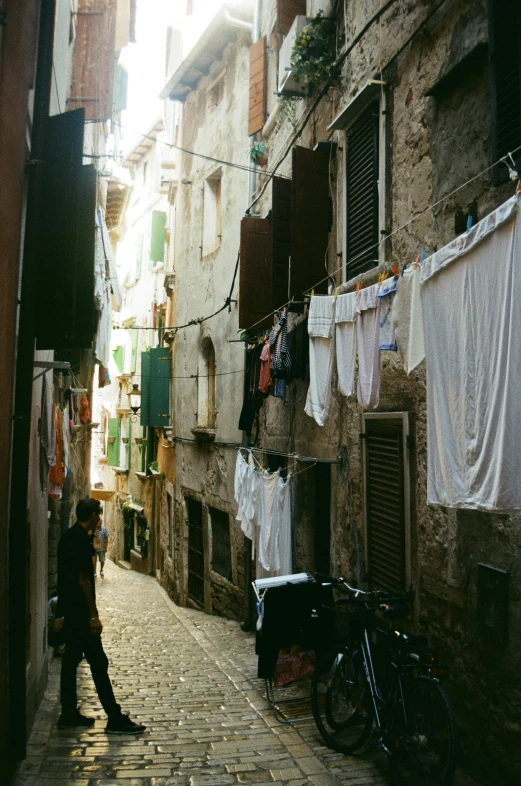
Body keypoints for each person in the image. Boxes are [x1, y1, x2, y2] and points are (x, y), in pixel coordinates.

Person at [56, 496, 146, 734]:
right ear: (93, 516)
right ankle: (114, 718)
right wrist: (93, 615)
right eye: (98, 514)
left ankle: (68, 714)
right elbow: (83, 579)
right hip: (80, 614)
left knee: (71, 661)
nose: (100, 518)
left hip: (72, 611)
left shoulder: (69, 537)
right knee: (98, 662)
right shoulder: (80, 541)